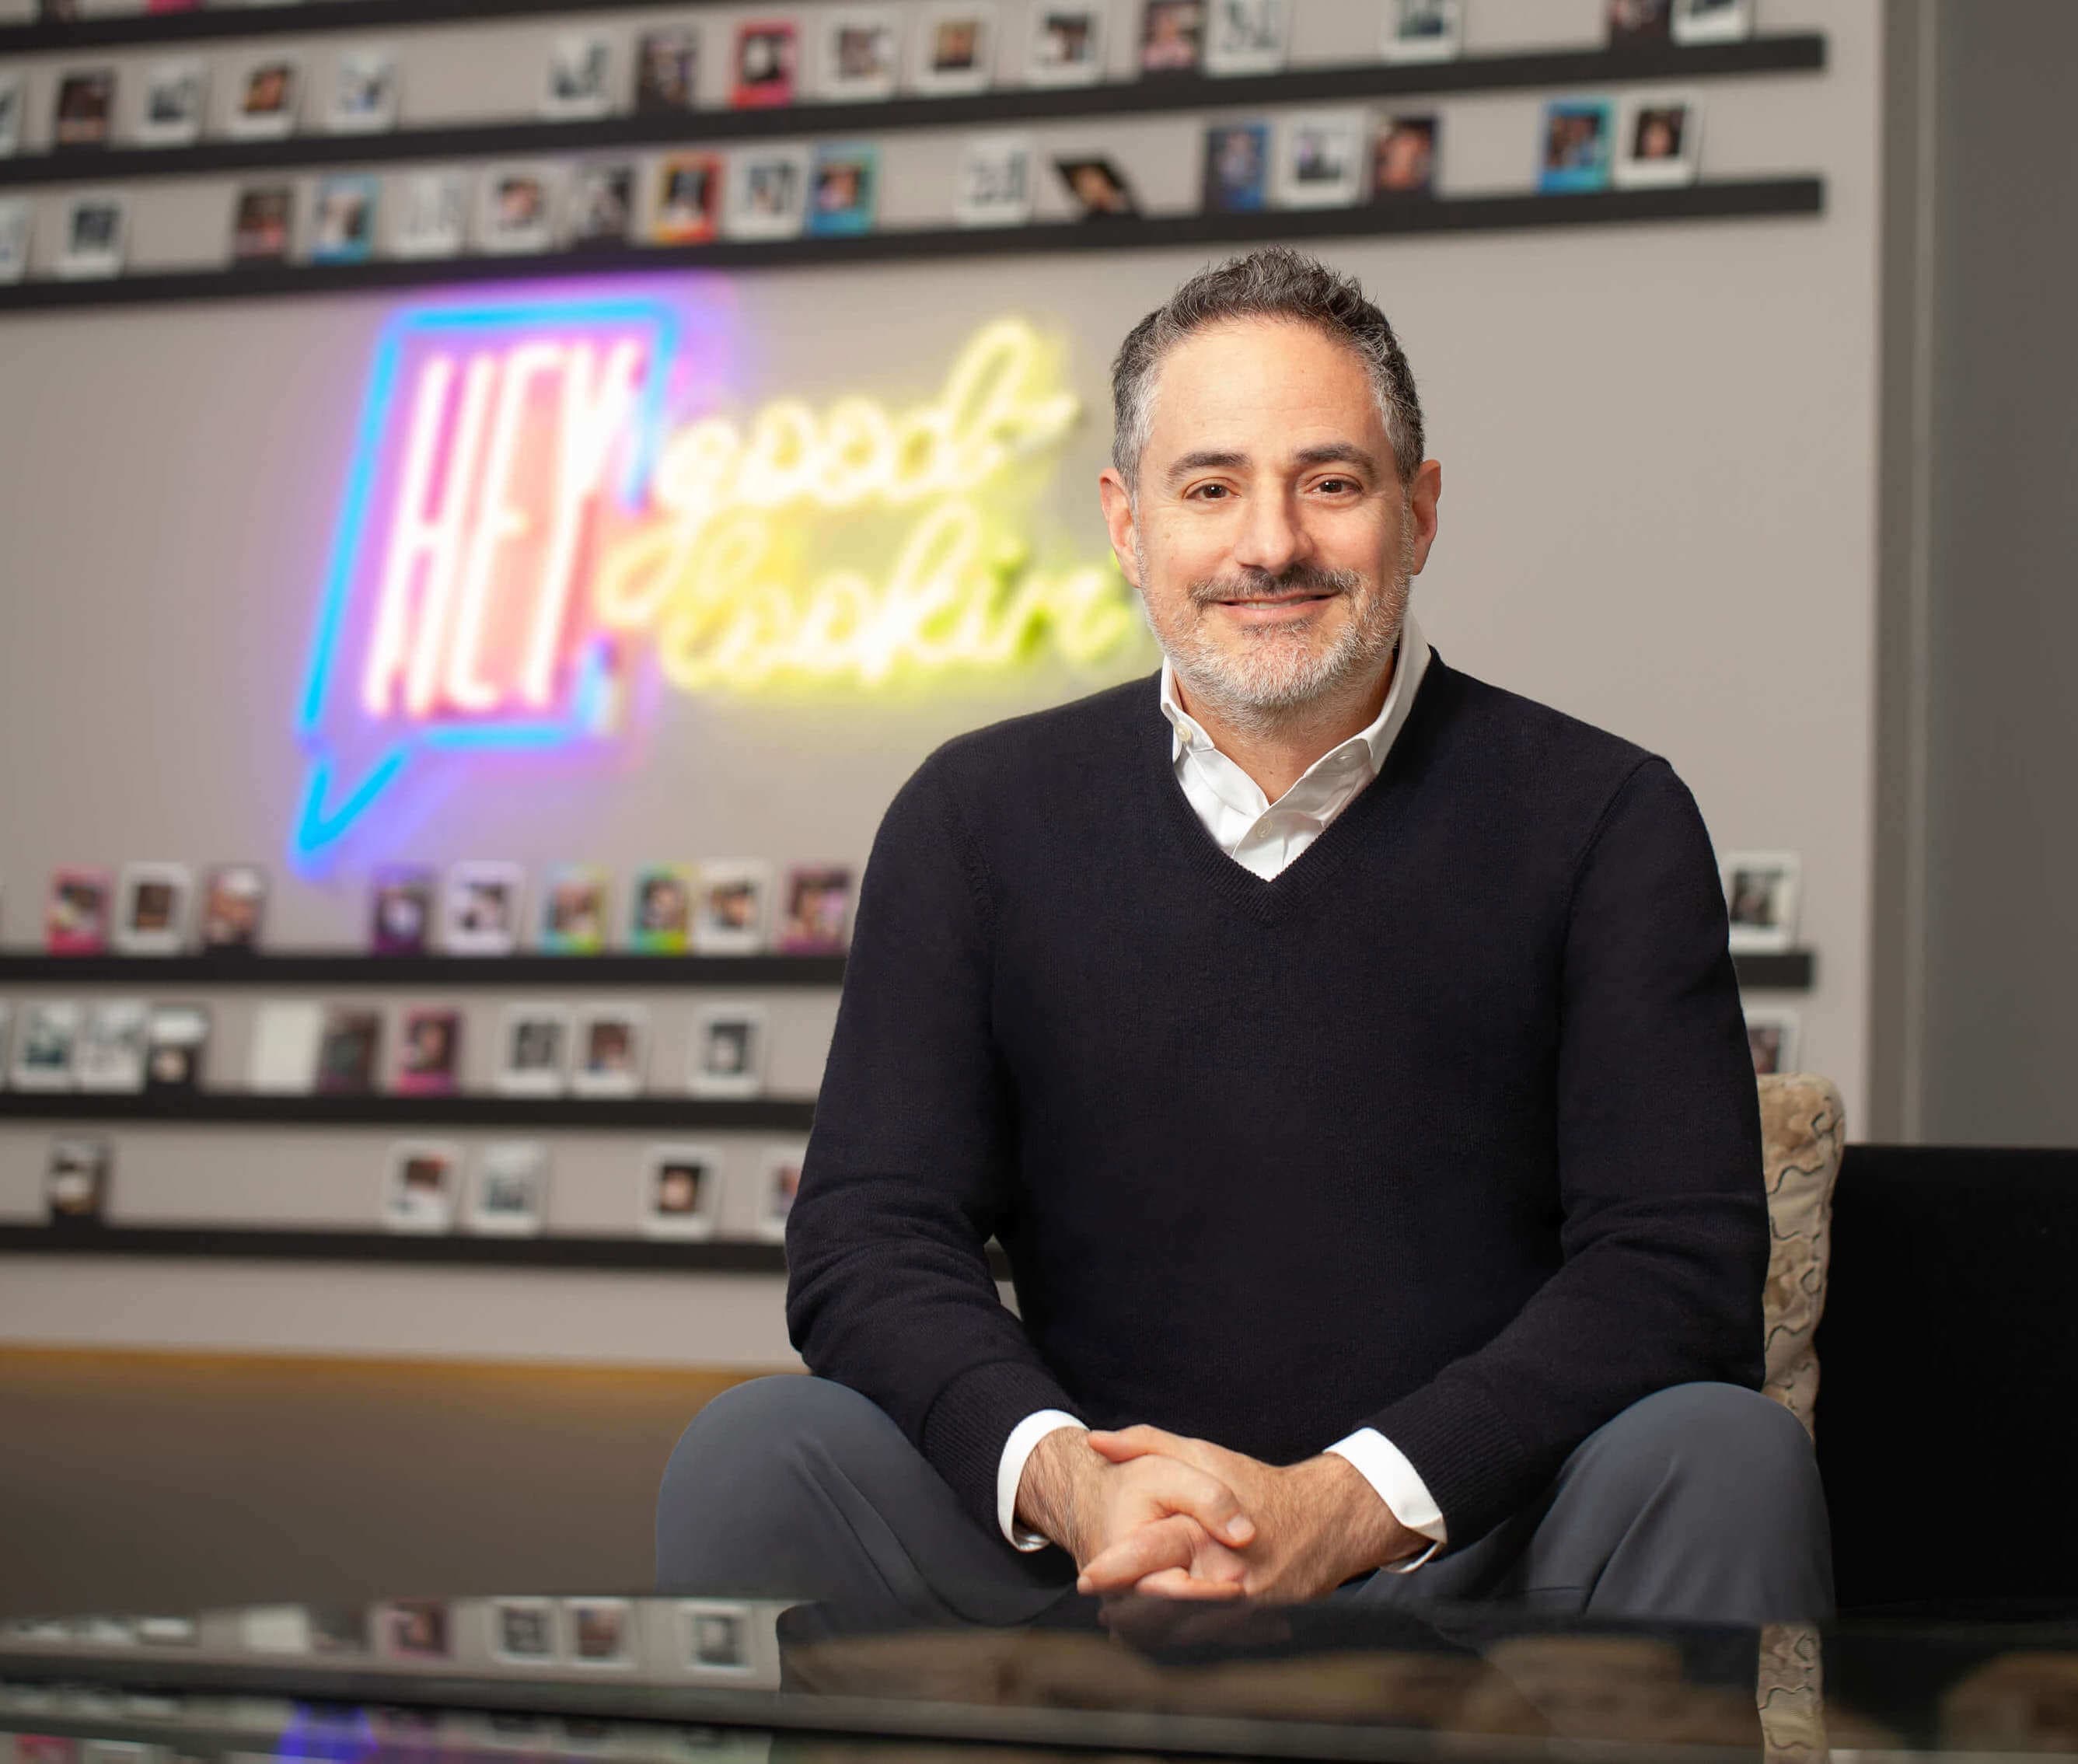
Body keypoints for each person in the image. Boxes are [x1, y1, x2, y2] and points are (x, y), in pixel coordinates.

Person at [657, 247, 1831, 1629]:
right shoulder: (974, 818)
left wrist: (1338, 1505)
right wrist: (1075, 1489)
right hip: (1091, 1565)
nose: (1269, 542)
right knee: (757, 1447)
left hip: (1471, 1557)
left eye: (1329, 483)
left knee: (1724, 1449)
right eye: (1208, 487)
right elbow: (869, 1238)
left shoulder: (1606, 816)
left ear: (1420, 510)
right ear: (1125, 521)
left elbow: (1675, 1268)